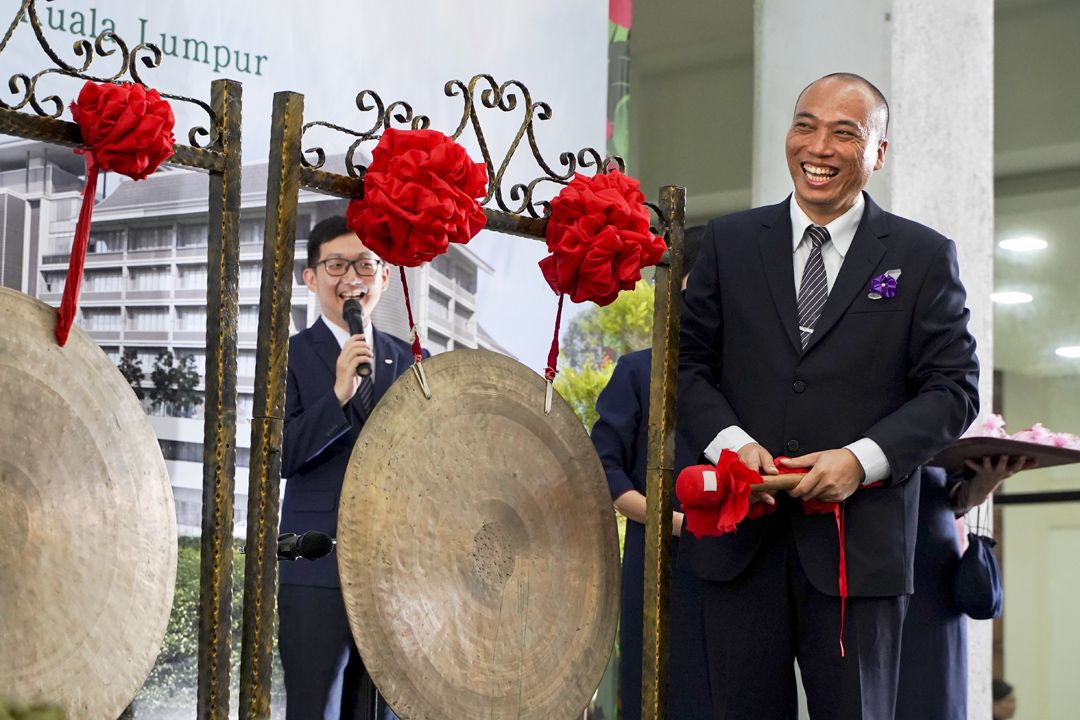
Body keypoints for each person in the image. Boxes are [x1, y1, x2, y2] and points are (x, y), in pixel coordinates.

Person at [677, 72, 980, 720]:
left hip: (858, 554)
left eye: (845, 132)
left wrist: (861, 460)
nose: (819, 146)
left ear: (878, 152)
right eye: (806, 125)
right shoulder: (728, 244)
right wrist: (733, 446)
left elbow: (953, 388)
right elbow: (685, 366)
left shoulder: (922, 256)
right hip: (739, 543)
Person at [278, 216, 418, 720]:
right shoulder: (287, 356)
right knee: (314, 709)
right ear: (310, 277)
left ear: (383, 276)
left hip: (393, 572)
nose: (351, 277)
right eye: (336, 264)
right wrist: (337, 395)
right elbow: (280, 456)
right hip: (312, 565)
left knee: (379, 712)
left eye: (365, 264)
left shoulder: (410, 361)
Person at [590, 226, 716, 720]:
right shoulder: (638, 372)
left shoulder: (747, 384)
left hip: (734, 560)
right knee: (654, 693)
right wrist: (675, 522)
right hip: (656, 559)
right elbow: (604, 471)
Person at [897, 455, 1032, 720]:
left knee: (934, 690)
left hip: (933, 567)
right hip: (862, 552)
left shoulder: (943, 425)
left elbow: (955, 497)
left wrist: (984, 483)